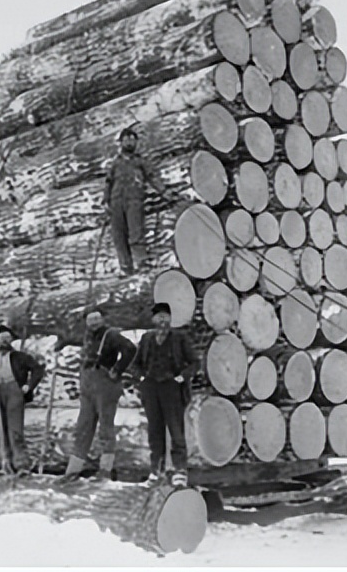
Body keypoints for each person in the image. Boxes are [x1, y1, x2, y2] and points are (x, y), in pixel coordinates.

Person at [64, 310, 137, 481]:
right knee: (83, 427)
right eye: (91, 319)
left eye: (97, 318)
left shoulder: (111, 335)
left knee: (105, 427)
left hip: (105, 384)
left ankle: (105, 470)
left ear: (103, 319)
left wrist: (117, 370)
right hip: (88, 383)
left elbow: (130, 349)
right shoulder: (87, 336)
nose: (94, 322)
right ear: (86, 322)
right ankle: (72, 470)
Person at [134, 303, 198, 486]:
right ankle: (156, 469)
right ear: (153, 320)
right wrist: (142, 378)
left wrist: (181, 378)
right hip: (151, 388)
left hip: (172, 388)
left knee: (176, 430)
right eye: (158, 316)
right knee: (155, 431)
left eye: (165, 316)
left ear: (170, 319)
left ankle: (180, 471)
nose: (162, 319)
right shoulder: (146, 339)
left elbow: (194, 362)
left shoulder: (179, 338)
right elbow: (136, 363)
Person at [0, 326, 45, 475]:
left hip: (14, 392)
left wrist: (29, 386)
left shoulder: (19, 356)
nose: (5, 340)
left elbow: (38, 369)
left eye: (7, 337)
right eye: (1, 337)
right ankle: (6, 463)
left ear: (11, 339)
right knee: (0, 431)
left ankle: (22, 465)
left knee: (15, 430)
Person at [105, 126, 167, 276]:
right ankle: (126, 267)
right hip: (116, 202)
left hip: (134, 200)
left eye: (132, 140)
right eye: (126, 140)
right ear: (120, 143)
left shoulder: (140, 162)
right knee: (119, 236)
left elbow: (152, 177)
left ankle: (142, 262)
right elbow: (108, 182)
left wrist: (164, 191)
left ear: (136, 143)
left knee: (136, 232)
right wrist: (105, 202)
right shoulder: (115, 163)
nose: (129, 143)